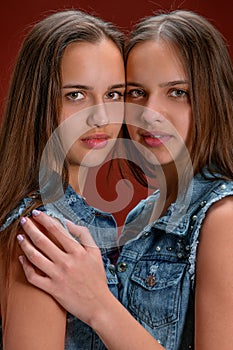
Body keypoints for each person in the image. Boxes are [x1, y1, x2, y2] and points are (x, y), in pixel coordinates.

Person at [16, 9, 233, 350]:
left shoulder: (223, 218)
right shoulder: (142, 217)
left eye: (177, 92)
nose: (149, 114)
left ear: (212, 96)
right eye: (135, 93)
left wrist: (98, 305)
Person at [0, 9, 128, 349]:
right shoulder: (44, 234)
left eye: (114, 94)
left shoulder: (69, 217)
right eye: (76, 95)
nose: (100, 116)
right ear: (38, 101)